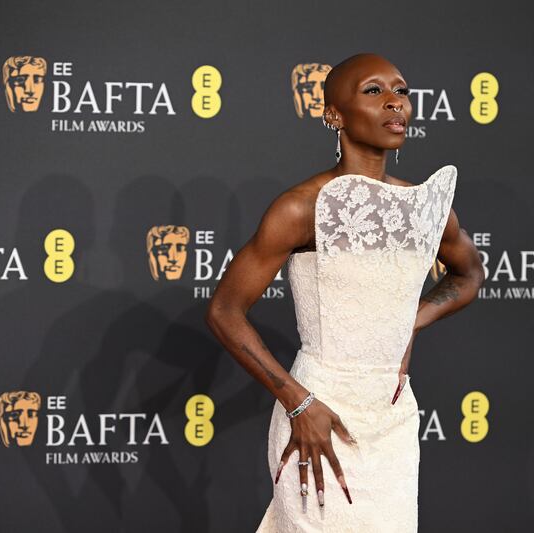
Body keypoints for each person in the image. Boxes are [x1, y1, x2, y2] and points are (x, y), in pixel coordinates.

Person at [205, 52, 484, 532]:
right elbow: (225, 310)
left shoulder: (424, 208)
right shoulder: (301, 207)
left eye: (401, 91)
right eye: (374, 91)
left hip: (392, 420)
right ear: (334, 115)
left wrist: (409, 320)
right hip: (318, 414)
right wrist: (298, 402)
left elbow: (469, 274)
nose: (395, 102)